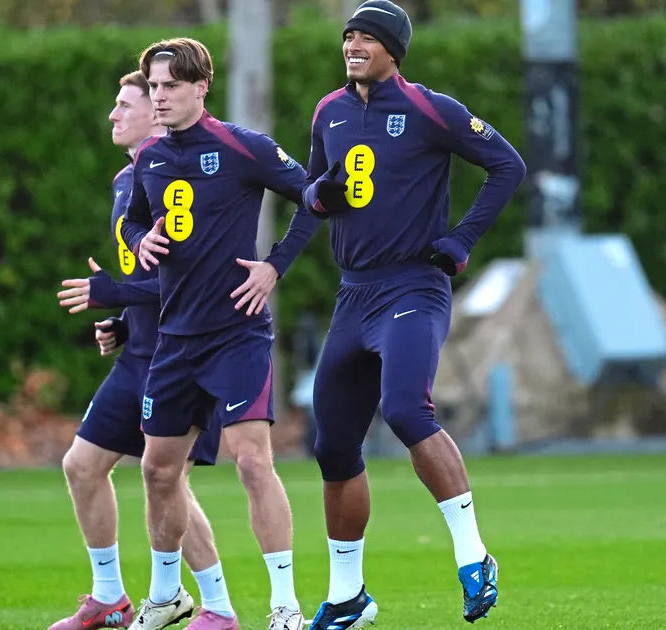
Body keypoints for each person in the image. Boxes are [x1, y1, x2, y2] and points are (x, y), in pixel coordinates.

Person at [297, 2, 526, 628]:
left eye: (366, 37)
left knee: (405, 409)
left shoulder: (430, 108)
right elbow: (310, 190)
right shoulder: (328, 110)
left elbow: (507, 165)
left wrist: (461, 239)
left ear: (394, 50)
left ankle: (474, 555)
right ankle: (348, 595)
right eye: (348, 36)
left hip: (411, 287)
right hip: (353, 294)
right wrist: (318, 195)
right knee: (333, 445)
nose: (353, 45)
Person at [119, 37, 322, 630]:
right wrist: (140, 241)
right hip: (175, 338)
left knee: (252, 462)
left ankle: (285, 606)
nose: (159, 97)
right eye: (154, 87)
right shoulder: (150, 158)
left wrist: (274, 266)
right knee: (158, 470)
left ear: (201, 86)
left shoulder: (242, 147)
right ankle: (166, 596)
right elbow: (133, 220)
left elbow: (313, 198)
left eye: (171, 86)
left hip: (237, 334)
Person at [50, 70, 238, 630]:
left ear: (156, 115)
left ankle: (218, 607)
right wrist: (124, 320)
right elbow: (150, 277)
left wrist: (115, 294)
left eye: (124, 104)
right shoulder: (125, 179)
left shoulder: (176, 176)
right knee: (82, 466)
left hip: (183, 355)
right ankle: (110, 597)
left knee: (168, 478)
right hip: (140, 354)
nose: (114, 114)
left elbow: (192, 277)